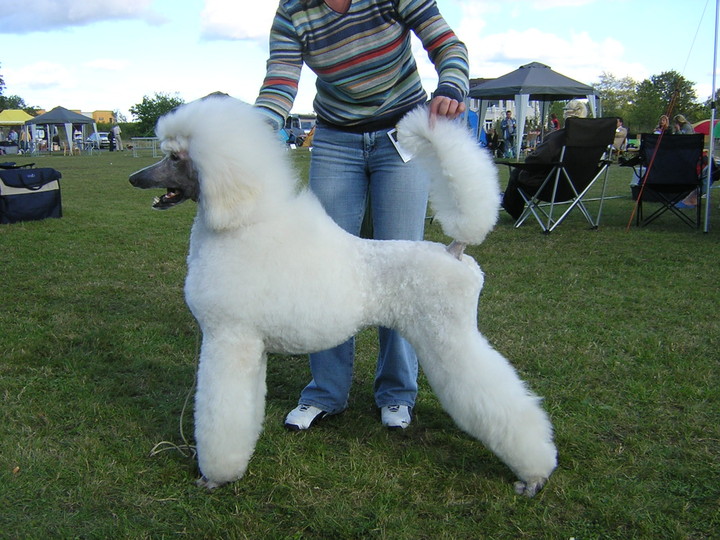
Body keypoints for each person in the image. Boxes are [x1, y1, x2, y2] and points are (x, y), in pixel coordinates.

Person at [255, 0, 469, 431]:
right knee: (324, 269)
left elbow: (447, 43)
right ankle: (325, 391)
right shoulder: (293, 10)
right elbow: (280, 78)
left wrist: (451, 85)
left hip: (402, 132)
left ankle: (397, 393)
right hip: (335, 139)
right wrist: (256, 125)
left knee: (401, 269)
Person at [501, 99, 587, 220]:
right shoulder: (590, 139)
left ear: (566, 114)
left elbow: (536, 159)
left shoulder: (558, 136)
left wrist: (528, 159)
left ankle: (512, 209)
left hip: (551, 187)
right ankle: (511, 203)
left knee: (517, 173)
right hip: (578, 185)